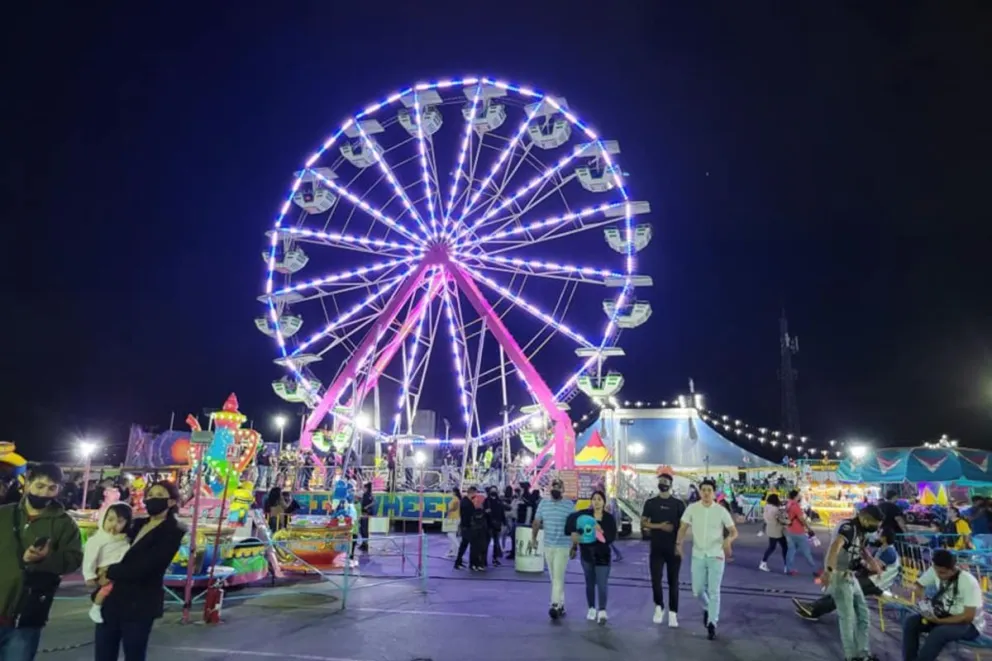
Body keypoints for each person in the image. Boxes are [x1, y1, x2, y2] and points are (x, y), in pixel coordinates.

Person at [94, 480, 186, 661]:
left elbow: (150, 565)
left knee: (134, 653)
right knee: (103, 652)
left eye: (160, 496)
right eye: (150, 494)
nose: (153, 499)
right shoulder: (136, 524)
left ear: (172, 502)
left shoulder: (173, 530)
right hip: (112, 598)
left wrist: (110, 571)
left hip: (140, 602)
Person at [0, 463, 83, 661]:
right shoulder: (4, 514)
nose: (45, 493)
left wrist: (45, 559)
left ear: (59, 489)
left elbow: (73, 560)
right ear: (27, 484)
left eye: (51, 488)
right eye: (39, 486)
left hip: (27, 614)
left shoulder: (65, 523)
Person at [818, 504, 883, 661]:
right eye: (874, 524)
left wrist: (872, 561)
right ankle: (851, 656)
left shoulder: (860, 531)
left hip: (850, 576)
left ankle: (863, 653)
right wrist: (828, 572)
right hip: (840, 576)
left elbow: (861, 548)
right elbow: (835, 547)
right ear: (864, 518)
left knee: (863, 614)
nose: (875, 528)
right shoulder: (848, 528)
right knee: (847, 618)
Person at [676, 477, 737, 640]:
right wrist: (678, 544)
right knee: (697, 590)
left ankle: (712, 623)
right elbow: (683, 527)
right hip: (698, 555)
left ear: (714, 492)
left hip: (716, 554)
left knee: (714, 590)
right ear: (699, 492)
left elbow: (733, 531)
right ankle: (707, 608)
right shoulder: (692, 508)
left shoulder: (721, 511)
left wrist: (728, 541)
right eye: (703, 490)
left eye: (709, 490)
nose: (706, 493)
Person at [794, 528, 900, 620]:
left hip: (876, 584)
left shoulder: (889, 553)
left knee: (842, 593)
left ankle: (814, 611)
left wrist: (862, 560)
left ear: (884, 537)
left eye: (879, 532)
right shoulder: (883, 549)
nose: (876, 535)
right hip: (871, 579)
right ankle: (813, 607)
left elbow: (874, 568)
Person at [903, 548, 983, 661]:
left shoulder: (968, 582)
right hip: (943, 615)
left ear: (952, 569)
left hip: (968, 625)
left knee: (938, 633)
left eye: (942, 573)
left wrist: (939, 621)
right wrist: (923, 603)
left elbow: (968, 617)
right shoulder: (936, 570)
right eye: (936, 571)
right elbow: (919, 585)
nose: (939, 575)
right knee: (911, 622)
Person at [641, 469, 685, 627]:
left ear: (671, 485)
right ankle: (659, 606)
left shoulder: (678, 504)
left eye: (665, 482)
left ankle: (673, 613)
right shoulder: (651, 503)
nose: (663, 485)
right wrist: (659, 526)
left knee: (674, 582)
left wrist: (679, 545)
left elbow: (684, 527)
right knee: (656, 580)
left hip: (673, 548)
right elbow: (644, 522)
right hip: (657, 548)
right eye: (660, 482)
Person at [566, 490, 617, 624]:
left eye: (599, 499)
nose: (596, 501)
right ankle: (591, 608)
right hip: (587, 555)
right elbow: (576, 529)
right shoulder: (585, 516)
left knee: (601, 584)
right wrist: (574, 546)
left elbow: (611, 537)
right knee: (589, 583)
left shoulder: (609, 518)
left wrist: (600, 533)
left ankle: (602, 610)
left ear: (604, 502)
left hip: (602, 555)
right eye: (594, 499)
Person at [532, 478, 575, 619]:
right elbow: (537, 522)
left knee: (557, 577)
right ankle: (561, 604)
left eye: (559, 487)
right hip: (548, 546)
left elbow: (574, 526)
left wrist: (575, 545)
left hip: (562, 547)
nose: (556, 489)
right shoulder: (543, 504)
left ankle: (555, 605)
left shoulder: (569, 505)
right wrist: (534, 539)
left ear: (563, 490)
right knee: (555, 577)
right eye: (554, 487)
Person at [83, 503, 133, 623]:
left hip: (119, 572)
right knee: (106, 589)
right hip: (106, 572)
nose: (114, 524)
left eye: (120, 521)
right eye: (110, 519)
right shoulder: (97, 539)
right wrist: (89, 576)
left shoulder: (123, 538)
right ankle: (96, 607)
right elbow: (89, 558)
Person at [784, 489, 818, 575]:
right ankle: (815, 570)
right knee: (807, 552)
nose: (800, 497)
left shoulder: (788, 504)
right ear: (795, 496)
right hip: (798, 531)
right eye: (799, 495)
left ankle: (789, 569)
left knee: (791, 551)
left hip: (789, 530)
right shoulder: (795, 506)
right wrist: (808, 528)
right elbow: (801, 519)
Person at [759, 493, 788, 572]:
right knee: (785, 547)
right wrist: (788, 522)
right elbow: (781, 519)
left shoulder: (766, 507)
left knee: (771, 547)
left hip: (770, 528)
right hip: (777, 530)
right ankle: (787, 565)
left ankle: (763, 562)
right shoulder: (776, 509)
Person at [484, 487, 505, 567]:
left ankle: (495, 559)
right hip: (489, 524)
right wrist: (486, 512)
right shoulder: (487, 501)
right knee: (487, 543)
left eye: (495, 490)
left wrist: (503, 522)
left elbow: (502, 512)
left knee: (496, 543)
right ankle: (484, 559)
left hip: (497, 524)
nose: (494, 492)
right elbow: (484, 511)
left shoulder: (499, 501)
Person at [445, 487, 461, 559]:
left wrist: (448, 511)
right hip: (453, 518)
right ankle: (454, 552)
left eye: (451, 491)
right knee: (453, 534)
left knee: (450, 534)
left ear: (454, 492)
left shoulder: (456, 499)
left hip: (453, 518)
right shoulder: (455, 499)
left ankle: (458, 547)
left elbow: (454, 508)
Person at [358, 482, 374, 553]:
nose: (363, 489)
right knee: (361, 529)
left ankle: (365, 544)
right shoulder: (364, 495)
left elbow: (374, 502)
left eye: (364, 488)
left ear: (367, 488)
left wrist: (367, 507)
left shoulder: (370, 495)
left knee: (364, 530)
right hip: (362, 513)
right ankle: (363, 543)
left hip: (366, 514)